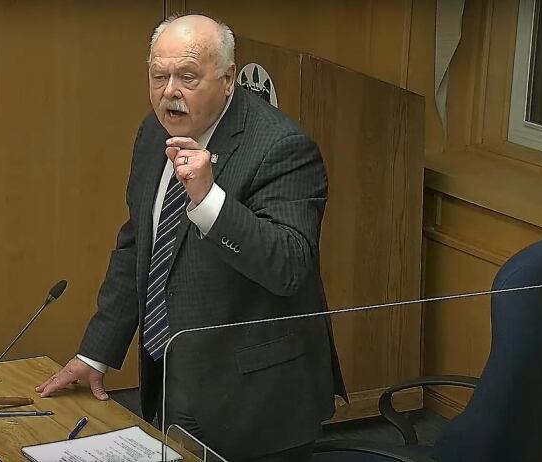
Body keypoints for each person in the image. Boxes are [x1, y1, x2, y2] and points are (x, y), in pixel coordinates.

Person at [36, 14, 345, 461]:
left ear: (227, 80)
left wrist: (209, 201)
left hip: (259, 404)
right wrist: (96, 353)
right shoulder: (152, 133)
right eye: (158, 76)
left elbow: (290, 267)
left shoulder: (282, 147)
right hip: (173, 381)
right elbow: (138, 245)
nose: (169, 92)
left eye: (187, 77)